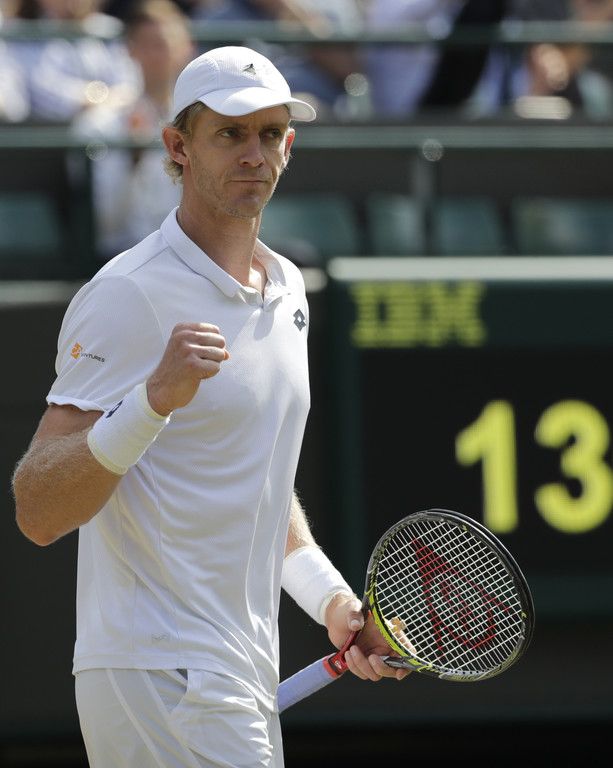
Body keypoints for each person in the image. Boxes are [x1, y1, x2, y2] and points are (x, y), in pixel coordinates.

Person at [12, 45, 408, 768]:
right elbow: (37, 508)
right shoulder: (126, 292)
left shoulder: (287, 288)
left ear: (288, 146)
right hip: (161, 671)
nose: (254, 153)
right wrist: (151, 402)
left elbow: (251, 481)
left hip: (231, 671)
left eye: (269, 133)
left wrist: (331, 602)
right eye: (229, 133)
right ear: (177, 147)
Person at [72, 0, 196, 259]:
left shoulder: (204, 123)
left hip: (189, 257)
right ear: (130, 50)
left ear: (187, 47)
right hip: (119, 258)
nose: (159, 54)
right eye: (148, 44)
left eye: (166, 43)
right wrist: (132, 159)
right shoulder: (100, 124)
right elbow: (104, 220)